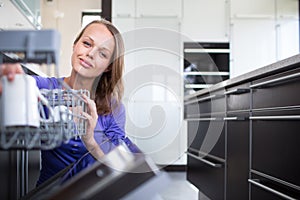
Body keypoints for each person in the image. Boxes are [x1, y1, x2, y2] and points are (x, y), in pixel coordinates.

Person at [0, 19, 132, 186]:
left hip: (92, 194)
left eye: (102, 54)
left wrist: (90, 140)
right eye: (87, 43)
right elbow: (18, 81)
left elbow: (120, 167)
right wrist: (9, 76)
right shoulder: (47, 88)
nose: (90, 53)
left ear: (108, 67)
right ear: (75, 45)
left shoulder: (114, 109)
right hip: (51, 192)